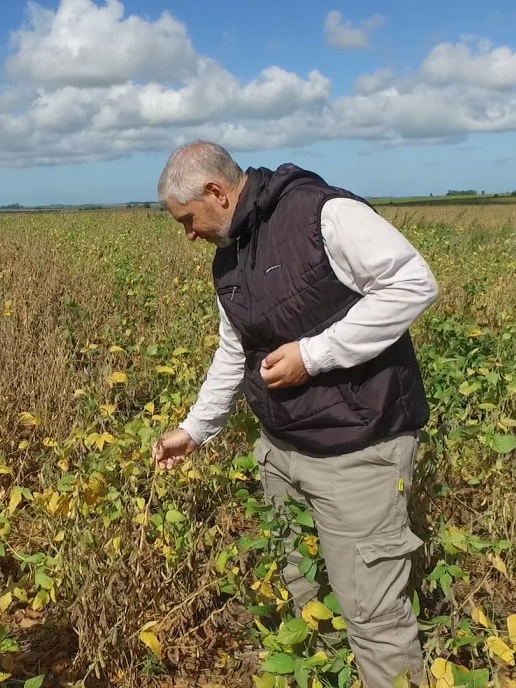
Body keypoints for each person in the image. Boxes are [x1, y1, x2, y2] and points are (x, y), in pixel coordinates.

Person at [152, 141, 438, 687]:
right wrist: (195, 429)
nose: (187, 233)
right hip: (282, 452)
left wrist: (314, 355)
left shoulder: (321, 213)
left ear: (216, 193)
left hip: (358, 451)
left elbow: (412, 284)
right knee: (307, 589)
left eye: (188, 220)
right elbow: (235, 351)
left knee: (375, 620)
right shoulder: (230, 257)